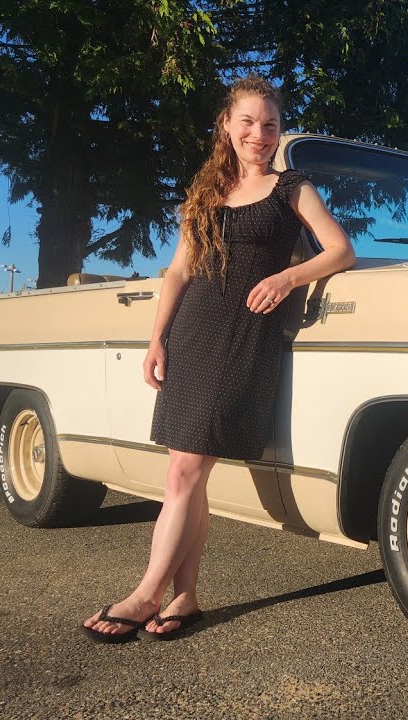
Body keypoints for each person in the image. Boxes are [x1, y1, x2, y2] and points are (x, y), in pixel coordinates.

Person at [82, 76, 355, 643]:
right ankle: (185, 598)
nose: (259, 133)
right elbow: (179, 270)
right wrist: (157, 338)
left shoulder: (291, 187)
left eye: (270, 124)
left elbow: (340, 250)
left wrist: (286, 276)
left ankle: (144, 594)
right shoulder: (206, 193)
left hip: (245, 336)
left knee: (186, 469)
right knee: (190, 472)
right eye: (249, 122)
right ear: (227, 127)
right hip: (193, 331)